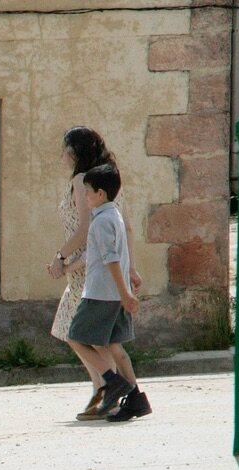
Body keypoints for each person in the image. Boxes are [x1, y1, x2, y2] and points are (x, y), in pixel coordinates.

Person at [47, 127, 143, 420]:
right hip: (104, 268)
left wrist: (61, 257)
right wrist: (132, 268)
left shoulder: (83, 181)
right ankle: (128, 395)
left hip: (89, 269)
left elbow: (87, 228)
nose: (62, 155)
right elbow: (125, 226)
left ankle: (107, 389)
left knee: (78, 333)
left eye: (66, 149)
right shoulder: (109, 178)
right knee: (106, 339)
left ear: (76, 152)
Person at [68, 163, 150, 422]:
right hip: (114, 294)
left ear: (100, 193)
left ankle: (112, 381)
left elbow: (110, 258)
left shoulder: (101, 221)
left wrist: (125, 292)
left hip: (101, 293)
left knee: (75, 337)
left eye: (88, 192)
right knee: (115, 346)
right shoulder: (114, 215)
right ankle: (136, 398)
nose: (85, 196)